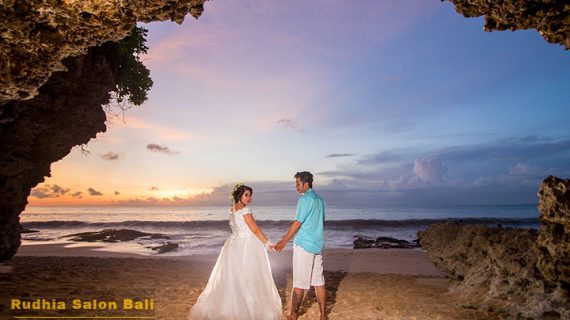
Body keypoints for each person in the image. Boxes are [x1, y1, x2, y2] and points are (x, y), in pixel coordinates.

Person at [189, 184, 282, 320]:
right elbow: (255, 230)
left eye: (250, 195)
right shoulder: (245, 211)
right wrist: (268, 243)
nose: (249, 198)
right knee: (249, 277)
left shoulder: (232, 210)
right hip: (247, 246)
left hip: (234, 245)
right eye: (246, 195)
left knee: (235, 279)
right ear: (239, 195)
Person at [273, 171, 326, 320]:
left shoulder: (304, 199)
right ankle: (323, 315)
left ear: (305, 183)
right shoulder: (321, 200)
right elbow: (320, 222)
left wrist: (283, 241)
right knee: (319, 281)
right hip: (318, 245)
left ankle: (293, 315)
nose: (296, 187)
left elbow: (297, 223)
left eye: (297, 184)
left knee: (299, 283)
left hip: (304, 246)